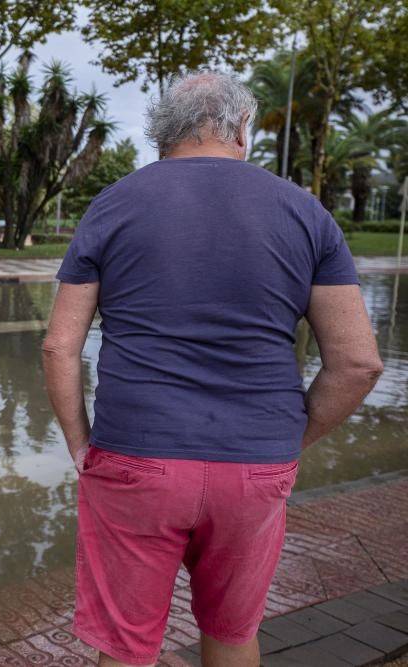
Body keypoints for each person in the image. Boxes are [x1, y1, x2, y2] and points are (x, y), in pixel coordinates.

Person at [42, 71, 383, 667]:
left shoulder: (114, 202)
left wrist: (80, 446)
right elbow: (357, 363)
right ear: (242, 127)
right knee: (231, 634)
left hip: (134, 460)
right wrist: (281, 441)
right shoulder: (305, 211)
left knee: (125, 648)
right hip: (256, 465)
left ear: (160, 130)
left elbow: (58, 347)